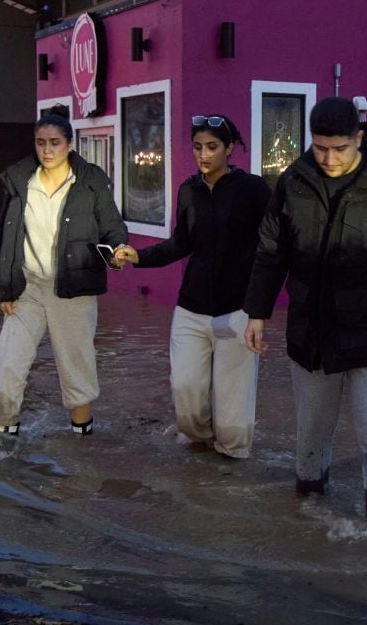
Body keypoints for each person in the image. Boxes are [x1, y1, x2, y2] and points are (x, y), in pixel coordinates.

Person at [243, 98, 367, 517]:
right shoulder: (293, 183)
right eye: (320, 149)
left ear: (359, 138)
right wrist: (257, 312)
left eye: (339, 149)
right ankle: (308, 514)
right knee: (311, 432)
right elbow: (270, 250)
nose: (330, 159)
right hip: (310, 332)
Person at [112, 114, 270, 458]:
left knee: (233, 416)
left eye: (212, 147)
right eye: (198, 147)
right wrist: (137, 256)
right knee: (185, 393)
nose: (204, 154)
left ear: (230, 149)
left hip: (237, 310)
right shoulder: (188, 190)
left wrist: (260, 308)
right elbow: (180, 243)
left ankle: (228, 477)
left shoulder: (254, 190)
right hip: (191, 309)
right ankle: (199, 464)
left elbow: (272, 249)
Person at [0, 103, 128, 443]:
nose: (47, 150)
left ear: (70, 143)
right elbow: (5, 237)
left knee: (77, 370)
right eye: (40, 142)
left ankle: (82, 442)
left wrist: (119, 248)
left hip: (74, 288)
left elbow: (112, 226)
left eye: (54, 142)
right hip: (28, 290)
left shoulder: (90, 180)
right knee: (9, 364)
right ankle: (2, 444)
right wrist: (4, 290)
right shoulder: (20, 180)